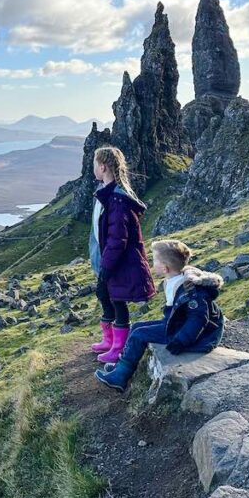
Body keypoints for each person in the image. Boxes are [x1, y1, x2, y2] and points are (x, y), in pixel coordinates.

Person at [95, 239, 225, 393]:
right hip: (176, 323)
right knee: (137, 326)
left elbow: (198, 318)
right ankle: (121, 365)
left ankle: (120, 377)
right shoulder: (174, 279)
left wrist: (181, 341)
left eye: (155, 259)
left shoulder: (190, 291)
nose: (152, 262)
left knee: (139, 334)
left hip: (194, 335)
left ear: (165, 268)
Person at [88, 145, 156, 364]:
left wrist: (106, 270)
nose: (93, 169)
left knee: (118, 302)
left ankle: (118, 348)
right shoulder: (108, 196)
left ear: (103, 166)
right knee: (106, 297)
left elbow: (118, 240)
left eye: (95, 164)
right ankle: (109, 341)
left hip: (119, 263)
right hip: (110, 262)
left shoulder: (117, 200)